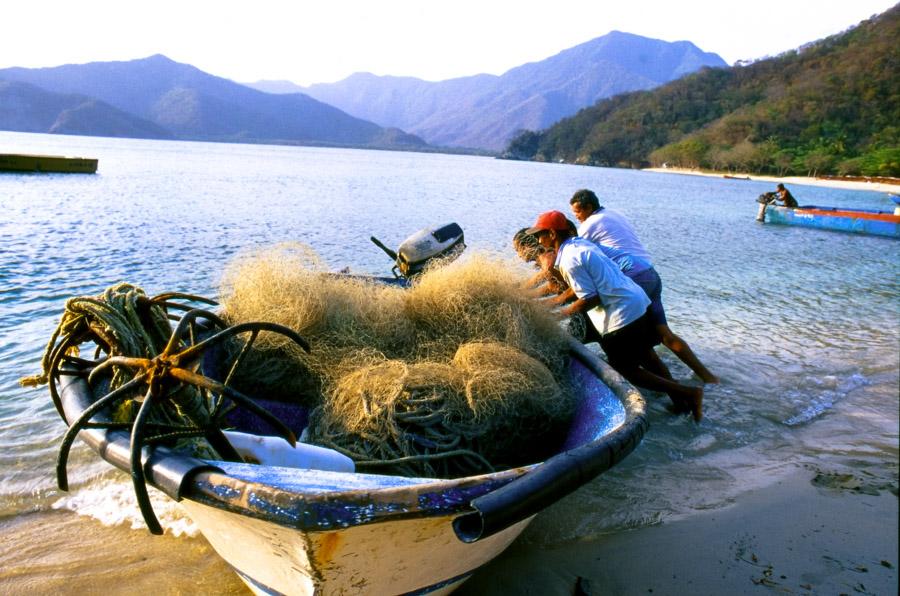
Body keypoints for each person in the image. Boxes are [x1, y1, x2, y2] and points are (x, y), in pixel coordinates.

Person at [526, 210, 703, 420]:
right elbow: (580, 289)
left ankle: (689, 393)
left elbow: (589, 298)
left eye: (540, 234)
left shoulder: (569, 259)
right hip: (636, 301)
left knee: (624, 369)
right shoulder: (579, 245)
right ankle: (682, 404)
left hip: (622, 312)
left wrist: (556, 316)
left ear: (553, 234)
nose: (538, 239)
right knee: (647, 357)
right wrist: (549, 305)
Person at [569, 189, 719, 384]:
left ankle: (673, 391)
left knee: (635, 341)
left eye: (578, 213)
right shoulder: (613, 214)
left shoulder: (591, 223)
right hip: (650, 273)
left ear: (588, 207)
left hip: (633, 276)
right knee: (665, 334)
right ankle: (708, 378)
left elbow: (573, 247)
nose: (578, 218)